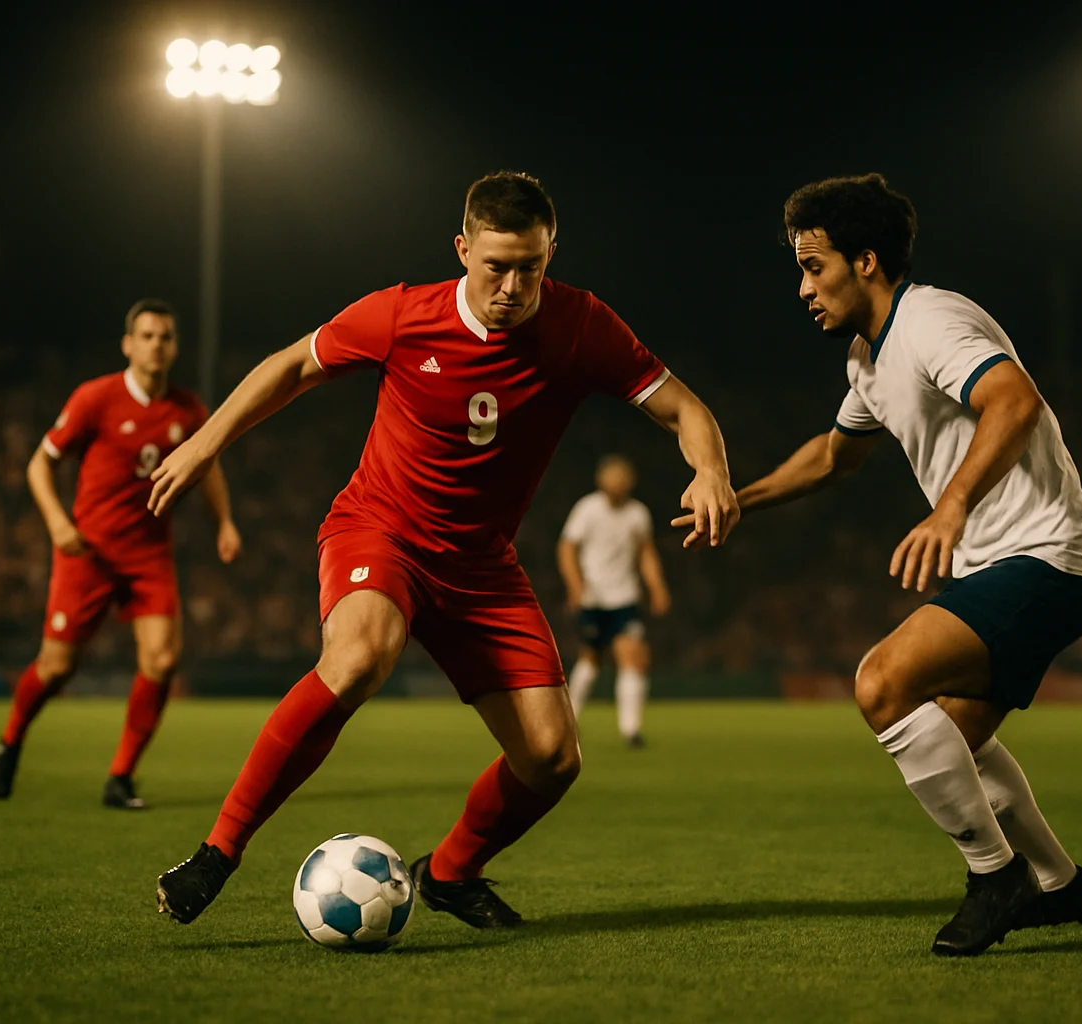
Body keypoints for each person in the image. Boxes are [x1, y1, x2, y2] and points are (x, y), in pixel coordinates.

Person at [149, 171, 739, 929]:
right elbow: (294, 365)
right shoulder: (402, 314)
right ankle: (217, 853)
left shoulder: (581, 325)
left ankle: (453, 872)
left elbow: (683, 407)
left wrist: (710, 469)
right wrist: (204, 445)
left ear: (552, 252)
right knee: (360, 656)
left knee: (554, 758)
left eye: (532, 265)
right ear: (463, 250)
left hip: (482, 568)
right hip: (381, 530)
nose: (513, 285)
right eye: (496, 266)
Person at [700, 174, 1082, 957]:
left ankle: (995, 876)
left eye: (813, 267)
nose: (802, 288)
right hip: (1016, 562)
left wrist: (950, 507)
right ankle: (1060, 883)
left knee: (882, 682)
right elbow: (833, 457)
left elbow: (1015, 401)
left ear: (865, 262)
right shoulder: (868, 357)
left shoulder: (932, 320)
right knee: (953, 735)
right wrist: (739, 499)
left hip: (1048, 555)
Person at [0, 299, 241, 809]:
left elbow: (207, 468)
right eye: (146, 336)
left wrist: (224, 523)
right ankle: (11, 740)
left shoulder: (187, 409)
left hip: (149, 556)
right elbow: (40, 464)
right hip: (90, 555)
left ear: (175, 346)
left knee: (163, 660)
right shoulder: (95, 399)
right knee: (56, 668)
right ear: (127, 344)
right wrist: (58, 523)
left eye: (165, 336)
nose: (156, 345)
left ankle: (120, 778)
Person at [558, 455, 671, 747]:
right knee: (591, 658)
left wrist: (657, 587)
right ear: (601, 479)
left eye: (624, 476)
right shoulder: (587, 509)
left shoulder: (637, 514)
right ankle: (568, 722)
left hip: (624, 597)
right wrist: (575, 587)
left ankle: (631, 729)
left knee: (633, 657)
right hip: (594, 597)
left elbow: (646, 553)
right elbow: (567, 548)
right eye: (614, 476)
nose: (619, 482)